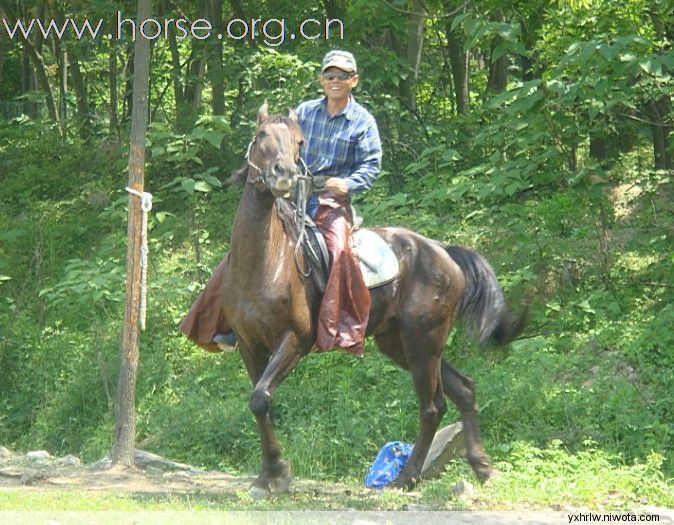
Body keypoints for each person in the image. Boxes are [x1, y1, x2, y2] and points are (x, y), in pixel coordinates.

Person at [180, 50, 382, 356]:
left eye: (342, 75)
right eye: (330, 75)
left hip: (331, 200)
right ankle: (226, 324)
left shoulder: (362, 121)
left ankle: (341, 325)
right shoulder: (303, 113)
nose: (335, 80)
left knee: (340, 250)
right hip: (292, 195)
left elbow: (370, 165)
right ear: (322, 79)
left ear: (353, 80)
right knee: (244, 248)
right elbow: (283, 151)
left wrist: (347, 183)